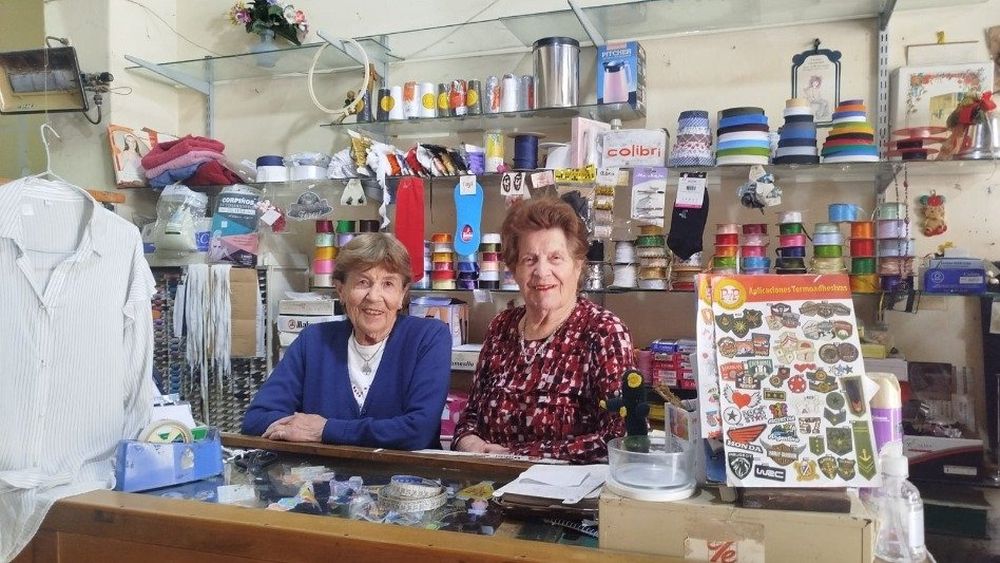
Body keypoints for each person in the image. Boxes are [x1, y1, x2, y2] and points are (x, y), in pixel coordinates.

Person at [452, 198, 634, 463]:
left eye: (555, 258)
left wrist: (515, 456)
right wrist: (468, 441)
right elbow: (471, 414)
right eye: (529, 259)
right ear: (514, 270)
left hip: (566, 498)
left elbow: (617, 437)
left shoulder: (604, 332)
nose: (541, 271)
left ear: (577, 265)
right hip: (490, 487)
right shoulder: (501, 327)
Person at [241, 233, 452, 450]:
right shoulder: (313, 341)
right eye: (362, 282)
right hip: (318, 481)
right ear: (341, 290)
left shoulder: (428, 337)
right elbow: (257, 419)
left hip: (407, 481)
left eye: (388, 284)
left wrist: (325, 430)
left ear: (402, 295)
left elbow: (418, 431)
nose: (374, 296)